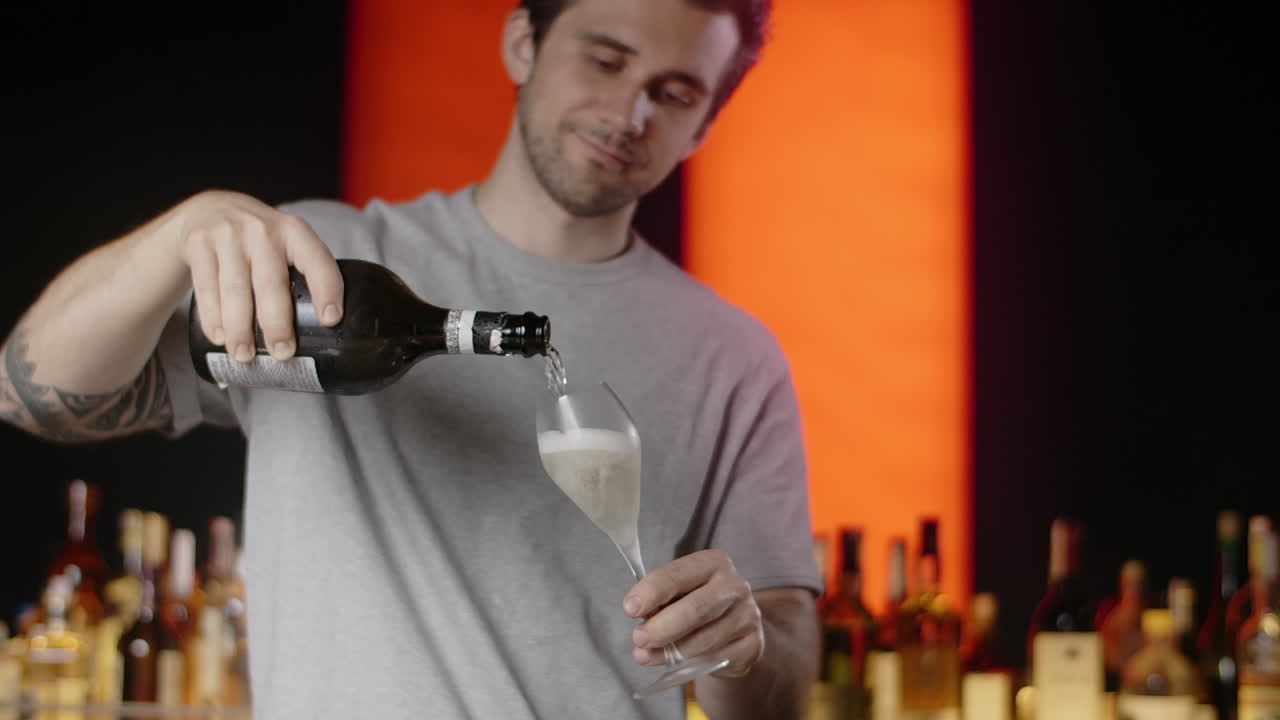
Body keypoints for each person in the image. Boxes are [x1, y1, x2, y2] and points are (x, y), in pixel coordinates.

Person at [0, 0, 821, 717]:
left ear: (707, 121)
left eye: (674, 93)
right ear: (522, 45)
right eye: (605, 58)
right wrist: (177, 237)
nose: (629, 110)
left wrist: (742, 644)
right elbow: (29, 393)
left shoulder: (736, 358)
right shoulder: (318, 267)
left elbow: (779, 699)